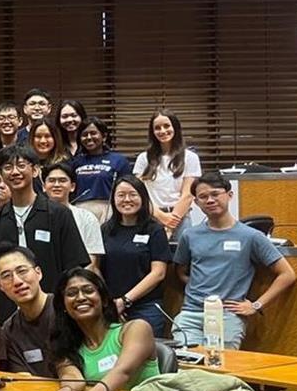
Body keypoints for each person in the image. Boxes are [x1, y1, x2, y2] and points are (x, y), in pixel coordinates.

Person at [173, 173, 296, 348]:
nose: (210, 200)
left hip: (227, 316)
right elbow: (180, 271)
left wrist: (256, 305)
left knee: (220, 369)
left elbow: (287, 274)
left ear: (229, 195)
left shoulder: (251, 236)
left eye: (215, 194)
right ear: (196, 203)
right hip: (190, 314)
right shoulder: (189, 235)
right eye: (203, 197)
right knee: (185, 367)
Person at [0, 145, 89, 322]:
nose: (15, 172)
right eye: (8, 167)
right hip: (9, 315)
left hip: (56, 311)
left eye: (21, 166)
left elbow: (74, 267)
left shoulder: (59, 214)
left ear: (36, 170)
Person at [45, 268, 160, 391]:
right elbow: (72, 377)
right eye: (71, 294)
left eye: (88, 290)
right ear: (64, 306)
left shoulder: (136, 329)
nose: (80, 297)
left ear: (104, 300)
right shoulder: (66, 345)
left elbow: (123, 372)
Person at [99, 174, 171, 336]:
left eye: (132, 194)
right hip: (110, 306)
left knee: (147, 357)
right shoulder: (105, 230)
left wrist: (125, 301)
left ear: (143, 198)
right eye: (121, 195)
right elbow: (96, 268)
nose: (127, 200)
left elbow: (158, 273)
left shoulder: (155, 230)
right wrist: (110, 303)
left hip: (146, 307)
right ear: (113, 199)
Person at [134, 110, 202, 239]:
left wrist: (170, 225)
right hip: (151, 217)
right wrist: (161, 216)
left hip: (181, 218)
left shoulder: (191, 157)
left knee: (181, 258)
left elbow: (187, 195)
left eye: (167, 126)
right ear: (152, 132)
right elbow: (139, 193)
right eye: (157, 128)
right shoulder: (143, 158)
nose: (162, 131)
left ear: (175, 127)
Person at [0, 246, 56, 377]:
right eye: (6, 276)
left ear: (38, 273)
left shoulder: (65, 310)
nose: (17, 281)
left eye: (22, 271)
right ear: (0, 286)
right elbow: (23, 379)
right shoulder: (9, 330)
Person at [41, 163, 104, 269]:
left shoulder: (87, 218)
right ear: (44, 186)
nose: (56, 185)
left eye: (62, 180)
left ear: (72, 187)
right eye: (51, 181)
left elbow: (92, 260)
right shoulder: (34, 215)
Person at [71, 118, 130, 221]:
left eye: (93, 133)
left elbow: (128, 188)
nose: (89, 137)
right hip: (80, 208)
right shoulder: (75, 162)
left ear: (104, 136)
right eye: (84, 135)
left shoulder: (119, 160)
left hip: (109, 208)